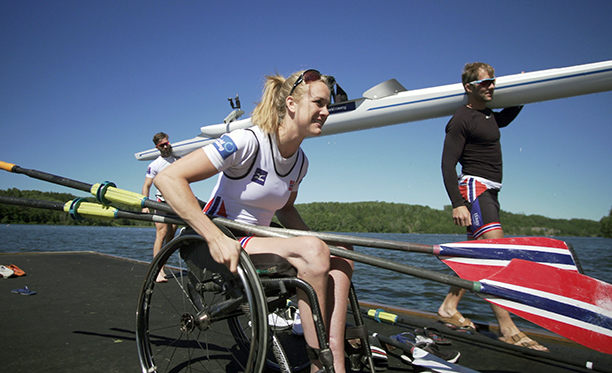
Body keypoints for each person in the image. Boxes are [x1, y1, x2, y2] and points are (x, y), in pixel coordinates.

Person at [154, 70, 354, 373]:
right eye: (318, 103)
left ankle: (333, 357)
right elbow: (167, 178)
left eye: (327, 105)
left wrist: (324, 245)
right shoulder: (247, 142)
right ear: (290, 103)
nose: (326, 112)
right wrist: (214, 236)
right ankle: (319, 361)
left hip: (255, 239)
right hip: (217, 241)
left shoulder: (300, 162)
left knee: (341, 252)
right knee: (313, 252)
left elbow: (286, 210)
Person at [438, 62, 548, 352]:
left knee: (476, 256)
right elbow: (447, 164)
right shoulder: (461, 119)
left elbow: (506, 118)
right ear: (468, 88)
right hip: (476, 188)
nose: (491, 87)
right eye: (484, 83)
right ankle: (507, 327)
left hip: (491, 191)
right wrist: (457, 203)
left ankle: (449, 306)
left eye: (493, 82)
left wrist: (524, 89)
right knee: (496, 254)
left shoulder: (487, 115)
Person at [141, 132, 178, 283]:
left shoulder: (178, 158)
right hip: (161, 202)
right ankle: (157, 271)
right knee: (161, 234)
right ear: (157, 147)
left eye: (167, 143)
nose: (165, 147)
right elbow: (147, 185)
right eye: (162, 145)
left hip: (176, 201)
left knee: (171, 236)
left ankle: (163, 264)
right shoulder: (154, 165)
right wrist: (145, 203)